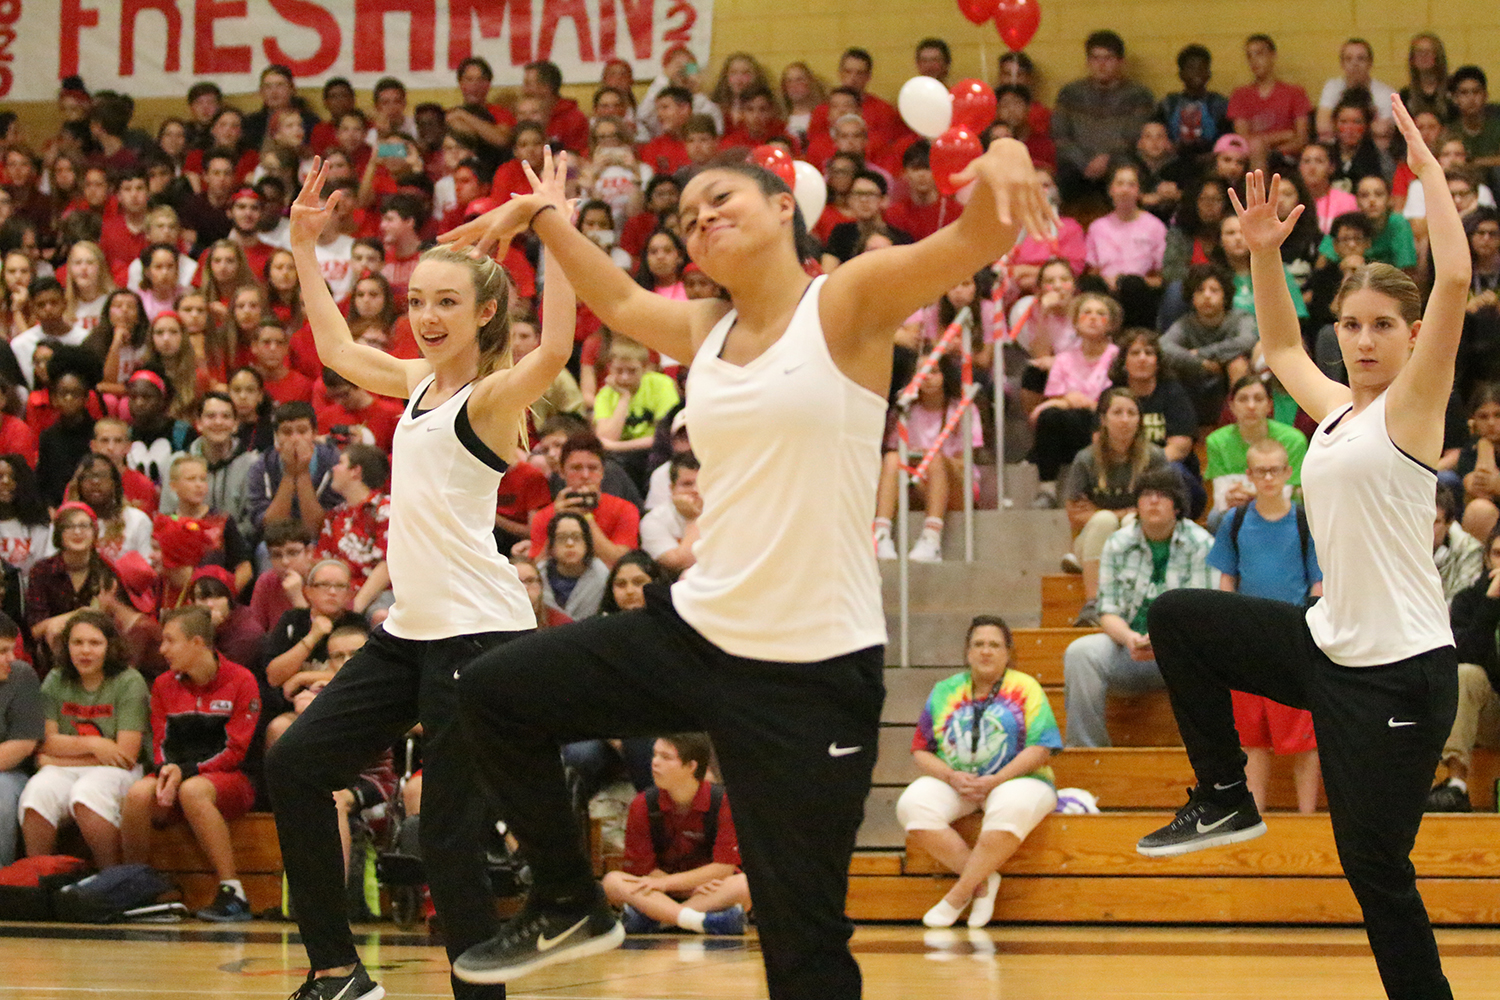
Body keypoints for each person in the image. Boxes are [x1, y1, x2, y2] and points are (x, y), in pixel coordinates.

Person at [438, 127, 1052, 992]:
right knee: (496, 694)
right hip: (695, 634)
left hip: (811, 673)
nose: (700, 218)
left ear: (780, 206)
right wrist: (546, 216)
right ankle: (568, 900)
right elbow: (613, 298)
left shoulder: (846, 300)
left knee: (803, 946)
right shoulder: (705, 327)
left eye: (719, 198)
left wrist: (1004, 153)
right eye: (686, 216)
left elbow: (977, 239)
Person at [1137, 96, 1468, 1000]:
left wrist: (1428, 174)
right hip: (1326, 649)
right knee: (1179, 619)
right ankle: (1224, 795)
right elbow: (1279, 341)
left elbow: (1452, 281)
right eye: (1353, 325)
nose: (1362, 339)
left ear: (1409, 340)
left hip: (1399, 676)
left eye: (1381, 327)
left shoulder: (1411, 410)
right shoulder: (1334, 414)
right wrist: (1263, 250)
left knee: (1372, 869)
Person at [265, 150, 576, 1000]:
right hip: (412, 631)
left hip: (481, 637)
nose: (428, 316)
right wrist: (301, 246)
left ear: (482, 314)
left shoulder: (490, 399)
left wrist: (552, 227)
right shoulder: (412, 385)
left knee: (445, 835)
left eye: (447, 303)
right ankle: (338, 971)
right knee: (295, 767)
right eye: (417, 302)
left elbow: (554, 345)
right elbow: (332, 347)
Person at [897, 614, 1061, 928]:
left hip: (1019, 779)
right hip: (960, 781)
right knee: (912, 804)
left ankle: (958, 896)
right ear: (968, 651)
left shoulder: (1026, 687)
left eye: (995, 645)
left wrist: (997, 780)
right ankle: (983, 882)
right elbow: (921, 749)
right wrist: (951, 777)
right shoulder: (944, 690)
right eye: (979, 644)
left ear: (1008, 652)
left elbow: (1042, 748)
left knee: (1010, 804)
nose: (986, 651)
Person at [120, 606, 260, 922]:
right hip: (180, 775)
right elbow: (160, 744)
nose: (162, 649)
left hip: (232, 779)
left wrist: (186, 772)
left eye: (170, 640)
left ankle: (233, 891)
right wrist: (166, 771)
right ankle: (136, 886)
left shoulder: (241, 680)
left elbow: (235, 752)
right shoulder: (163, 685)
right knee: (138, 794)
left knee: (194, 790)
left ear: (197, 643)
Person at [1209, 438, 1324, 814]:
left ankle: (1306, 817)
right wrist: (1227, 628)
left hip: (1293, 642)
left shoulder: (1307, 521)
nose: (1269, 477)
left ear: (1289, 472)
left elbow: (1318, 583)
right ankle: (1253, 815)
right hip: (1246, 645)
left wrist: (1309, 632)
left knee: (1304, 739)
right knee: (1251, 737)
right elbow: (1227, 578)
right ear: (1249, 474)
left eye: (1276, 469)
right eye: (1261, 470)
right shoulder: (1235, 520)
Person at [18, 609, 147, 868]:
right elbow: (45, 741)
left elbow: (125, 755)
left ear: (110, 646)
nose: (85, 651)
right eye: (77, 642)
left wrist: (55, 759)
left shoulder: (129, 681)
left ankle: (110, 878)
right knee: (36, 793)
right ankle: (39, 882)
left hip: (120, 772)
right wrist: (95, 744)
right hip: (81, 765)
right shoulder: (55, 679)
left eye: (94, 643)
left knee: (86, 794)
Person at [601, 733, 752, 935]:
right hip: (662, 893)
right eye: (654, 755)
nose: (655, 763)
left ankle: (657, 920)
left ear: (691, 766)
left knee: (744, 885)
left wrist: (667, 883)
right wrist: (677, 886)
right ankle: (700, 921)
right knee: (611, 882)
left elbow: (723, 868)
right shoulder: (642, 804)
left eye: (666, 757)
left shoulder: (722, 802)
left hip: (707, 892)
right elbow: (642, 869)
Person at [1062, 387, 1173, 625]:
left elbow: (1166, 504)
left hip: (1141, 538)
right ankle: (1092, 603)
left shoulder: (1155, 457)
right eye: (1117, 412)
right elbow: (1074, 513)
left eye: (1131, 413)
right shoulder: (1086, 459)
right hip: (1093, 541)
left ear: (1139, 420)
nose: (1125, 420)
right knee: (1105, 521)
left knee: (1130, 522)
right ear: (1103, 419)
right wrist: (1121, 513)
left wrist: (1114, 513)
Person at [1429, 525, 1500, 811]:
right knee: (1466, 675)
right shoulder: (1469, 600)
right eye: (1497, 554)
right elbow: (1464, 654)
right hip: (1490, 713)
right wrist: (1492, 602)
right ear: (1486, 559)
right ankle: (1456, 786)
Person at [1050, 31, 1155, 203]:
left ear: (1121, 62)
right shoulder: (1069, 93)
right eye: (1095, 58)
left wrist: (1107, 158)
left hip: (1119, 163)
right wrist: (1084, 162)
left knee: (1128, 178)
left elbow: (1134, 137)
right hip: (1076, 166)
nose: (1101, 64)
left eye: (1108, 58)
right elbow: (1060, 135)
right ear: (1087, 62)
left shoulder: (1139, 95)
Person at [1229, 34, 1311, 171]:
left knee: (1258, 147)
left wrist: (1271, 150)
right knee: (1255, 147)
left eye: (1259, 54)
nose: (1254, 60)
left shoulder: (1295, 92)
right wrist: (1284, 135)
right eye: (1250, 56)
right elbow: (1243, 140)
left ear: (1273, 56)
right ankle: (1262, 191)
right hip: (1250, 158)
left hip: (1286, 157)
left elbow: (1301, 139)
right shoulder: (1240, 94)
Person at [0, 616, 43, 866]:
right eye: (2, 651)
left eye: (11, 649)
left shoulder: (21, 677)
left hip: (9, 772)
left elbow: (23, 745)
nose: (11, 658)